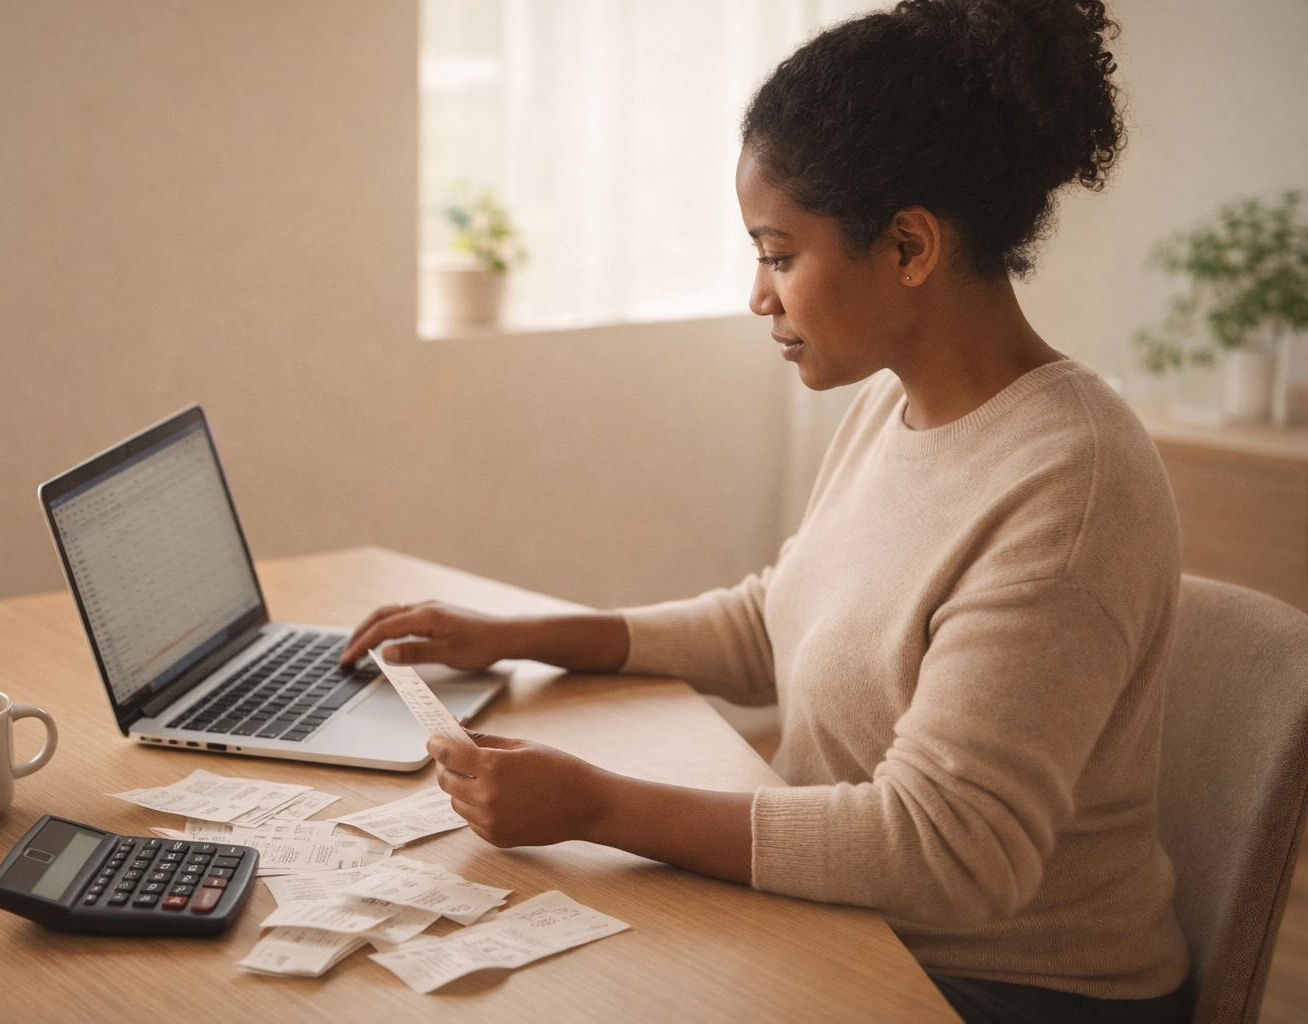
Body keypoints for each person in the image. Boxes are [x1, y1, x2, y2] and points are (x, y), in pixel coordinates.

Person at [341, 1, 1194, 1020]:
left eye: (780, 255)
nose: (760, 296)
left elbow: (949, 853)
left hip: (1001, 986)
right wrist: (525, 635)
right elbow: (781, 615)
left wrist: (598, 806)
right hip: (848, 927)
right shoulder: (897, 399)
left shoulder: (1070, 482)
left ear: (910, 245)